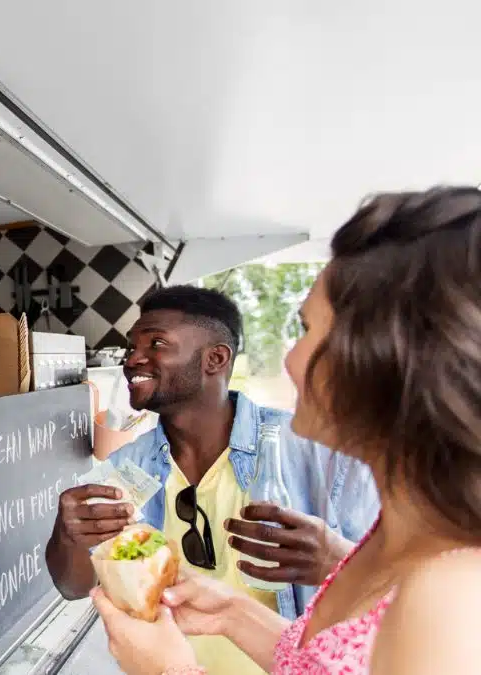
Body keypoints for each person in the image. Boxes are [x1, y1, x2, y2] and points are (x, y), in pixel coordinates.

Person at [89, 186, 481, 675]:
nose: (291, 357)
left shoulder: (455, 596)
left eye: (307, 331)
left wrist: (169, 671)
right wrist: (233, 612)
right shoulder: (397, 537)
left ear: (386, 358)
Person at [44, 285, 379, 675]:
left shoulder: (321, 453)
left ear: (215, 359)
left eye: (156, 343)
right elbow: (71, 587)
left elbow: (401, 597)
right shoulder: (125, 467)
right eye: (132, 346)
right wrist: (67, 537)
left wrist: (337, 563)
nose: (133, 359)